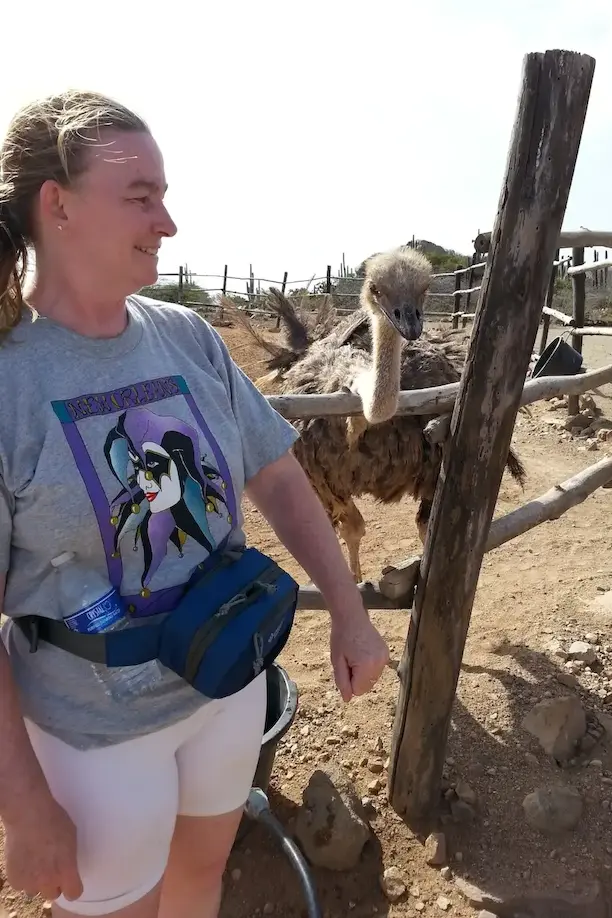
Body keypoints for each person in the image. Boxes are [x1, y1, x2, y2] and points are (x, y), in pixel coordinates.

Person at [0, 90, 389, 918]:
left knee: (199, 884)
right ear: (57, 204)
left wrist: (351, 615)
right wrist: (26, 804)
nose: (168, 222)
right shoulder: (9, 383)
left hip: (225, 678)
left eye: (164, 196)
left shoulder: (186, 336)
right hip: (94, 731)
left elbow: (279, 477)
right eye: (141, 197)